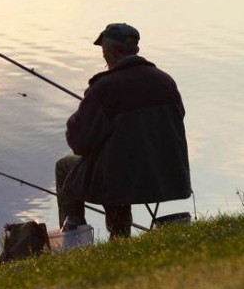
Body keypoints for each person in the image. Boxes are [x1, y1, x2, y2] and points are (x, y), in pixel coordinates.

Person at [56, 23, 191, 238]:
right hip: (165, 174)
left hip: (123, 179)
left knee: (65, 166)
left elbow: (78, 142)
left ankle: (75, 240)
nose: (103, 57)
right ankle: (119, 236)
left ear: (111, 51)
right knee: (118, 161)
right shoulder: (165, 81)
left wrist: (80, 113)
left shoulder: (104, 87)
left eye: (103, 51)